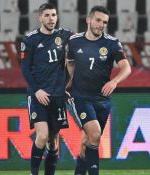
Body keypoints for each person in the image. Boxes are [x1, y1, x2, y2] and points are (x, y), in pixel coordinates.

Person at [66, 6, 131, 175]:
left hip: (102, 100)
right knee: (94, 134)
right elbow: (70, 63)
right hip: (80, 97)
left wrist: (115, 81)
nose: (101, 25)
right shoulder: (74, 41)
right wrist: (68, 84)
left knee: (87, 141)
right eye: (98, 20)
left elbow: (126, 68)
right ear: (88, 20)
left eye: (105, 22)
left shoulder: (112, 43)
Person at [20, 3, 74, 175]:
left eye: (53, 15)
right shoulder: (30, 39)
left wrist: (63, 86)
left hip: (57, 96)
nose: (51, 19)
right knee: (42, 136)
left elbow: (82, 41)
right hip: (38, 95)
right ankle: (33, 173)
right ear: (40, 18)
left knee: (53, 142)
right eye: (47, 15)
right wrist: (36, 90)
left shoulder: (64, 35)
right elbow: (25, 69)